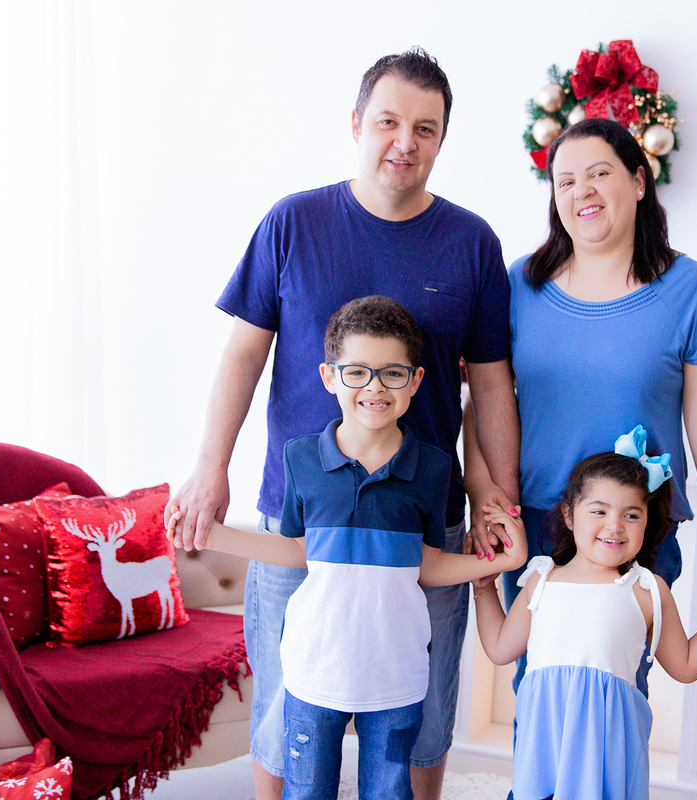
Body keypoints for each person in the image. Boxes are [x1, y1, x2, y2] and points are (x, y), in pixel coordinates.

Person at [169, 48, 520, 800]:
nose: (405, 141)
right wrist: (210, 468)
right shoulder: (293, 221)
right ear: (357, 123)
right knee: (284, 711)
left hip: (424, 521)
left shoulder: (472, 244)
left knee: (422, 717)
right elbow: (242, 356)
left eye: (425, 128)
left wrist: (499, 495)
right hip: (300, 515)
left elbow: (491, 385)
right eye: (389, 121)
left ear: (442, 139)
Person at [168, 297, 526, 800]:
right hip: (314, 675)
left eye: (392, 374)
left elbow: (425, 563)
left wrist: (504, 561)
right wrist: (213, 534)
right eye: (356, 372)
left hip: (397, 678)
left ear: (416, 381)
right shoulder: (301, 460)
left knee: (388, 792)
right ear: (329, 377)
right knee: (307, 791)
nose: (375, 387)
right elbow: (297, 550)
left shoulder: (433, 469)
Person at [464, 117, 697, 697]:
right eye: (565, 181)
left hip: (635, 531)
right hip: (543, 526)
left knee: (617, 693)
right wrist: (484, 499)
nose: (582, 192)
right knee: (540, 696)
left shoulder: (688, 286)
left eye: (600, 173)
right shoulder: (519, 283)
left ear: (639, 182)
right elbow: (482, 401)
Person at [471, 444, 697, 800]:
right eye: (599, 511)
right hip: (547, 745)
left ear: (647, 522)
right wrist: (484, 589)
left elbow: (686, 665)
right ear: (569, 516)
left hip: (608, 751)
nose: (614, 526)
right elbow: (498, 647)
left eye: (631, 515)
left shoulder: (647, 589)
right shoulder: (542, 578)